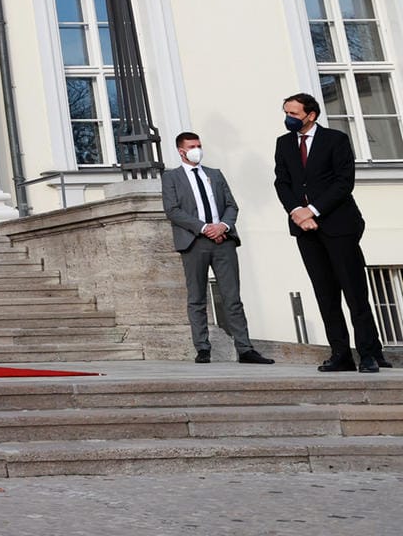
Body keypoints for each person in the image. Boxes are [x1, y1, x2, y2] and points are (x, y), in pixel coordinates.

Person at [274, 92, 384, 372]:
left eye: (294, 114)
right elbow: (282, 182)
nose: (289, 118)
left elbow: (343, 182)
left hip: (339, 225)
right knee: (325, 293)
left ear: (310, 115)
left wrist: (314, 211)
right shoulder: (284, 144)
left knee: (354, 291)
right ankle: (340, 354)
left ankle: (369, 353)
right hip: (304, 229)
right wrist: (297, 212)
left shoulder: (335, 140)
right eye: (286, 112)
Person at [162, 132, 273, 365]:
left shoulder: (215, 174)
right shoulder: (172, 177)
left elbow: (231, 205)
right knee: (197, 298)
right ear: (181, 150)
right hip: (194, 242)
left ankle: (245, 349)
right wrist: (204, 228)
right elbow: (173, 210)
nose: (197, 150)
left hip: (224, 241)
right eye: (192, 146)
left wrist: (222, 226)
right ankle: (202, 348)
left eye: (199, 145)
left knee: (232, 297)